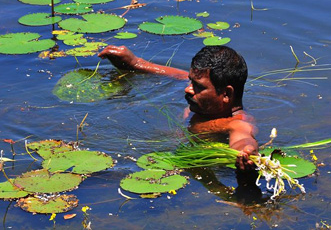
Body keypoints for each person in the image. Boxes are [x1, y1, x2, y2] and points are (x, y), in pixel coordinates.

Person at [98, 45, 258, 172]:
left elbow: (243, 139)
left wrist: (246, 153)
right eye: (190, 81)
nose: (187, 89)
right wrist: (133, 62)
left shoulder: (237, 123)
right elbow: (178, 75)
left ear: (226, 94)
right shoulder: (202, 94)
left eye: (198, 86)